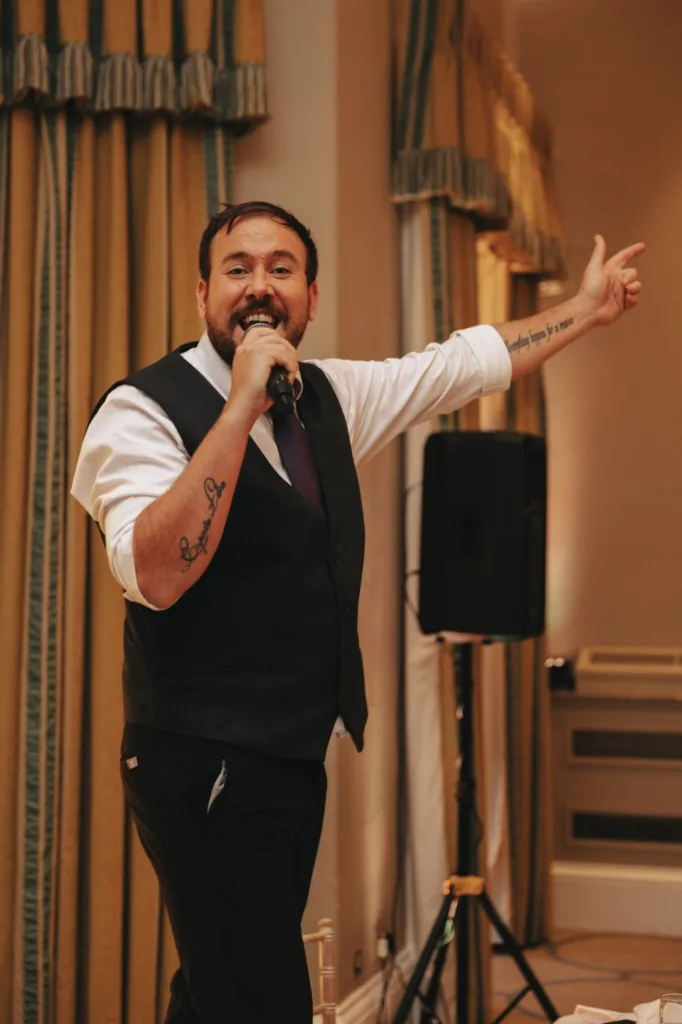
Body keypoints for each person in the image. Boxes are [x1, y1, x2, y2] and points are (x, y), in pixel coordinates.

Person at [71, 200, 643, 1023]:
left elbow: (464, 364)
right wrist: (238, 408)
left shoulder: (328, 397)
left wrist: (583, 312)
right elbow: (157, 575)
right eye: (238, 269)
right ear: (202, 293)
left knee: (215, 991)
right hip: (201, 765)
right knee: (258, 998)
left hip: (290, 757)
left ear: (309, 295)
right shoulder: (140, 413)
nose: (259, 288)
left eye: (281, 269)